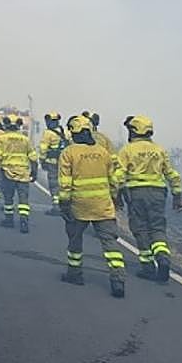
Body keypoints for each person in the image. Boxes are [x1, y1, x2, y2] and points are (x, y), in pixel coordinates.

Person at [58, 115, 126, 298]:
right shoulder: (103, 152)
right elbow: (114, 180)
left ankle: (75, 275)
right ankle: (118, 280)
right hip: (103, 206)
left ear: (74, 131)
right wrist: (115, 198)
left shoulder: (68, 153)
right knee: (110, 243)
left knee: (74, 240)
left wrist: (63, 203)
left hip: (78, 206)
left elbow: (65, 182)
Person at [115, 115, 182, 282]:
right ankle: (163, 257)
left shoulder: (127, 150)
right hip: (158, 194)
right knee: (157, 228)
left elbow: (118, 176)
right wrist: (178, 196)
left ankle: (147, 267)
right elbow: (172, 174)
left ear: (134, 131)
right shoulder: (159, 150)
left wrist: (115, 196)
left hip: (136, 194)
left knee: (140, 229)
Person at [0, 115, 39, 233]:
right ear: (18, 125)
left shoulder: (2, 139)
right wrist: (34, 172)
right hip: (23, 174)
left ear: (6, 124)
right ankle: (24, 221)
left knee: (8, 198)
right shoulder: (25, 139)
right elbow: (33, 157)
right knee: (23, 199)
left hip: (7, 173)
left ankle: (9, 220)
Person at [38, 112, 69, 215]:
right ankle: (65, 206)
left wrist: (42, 160)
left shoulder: (48, 133)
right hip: (64, 163)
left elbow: (43, 149)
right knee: (64, 184)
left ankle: (56, 207)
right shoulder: (65, 132)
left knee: (54, 184)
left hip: (52, 163)